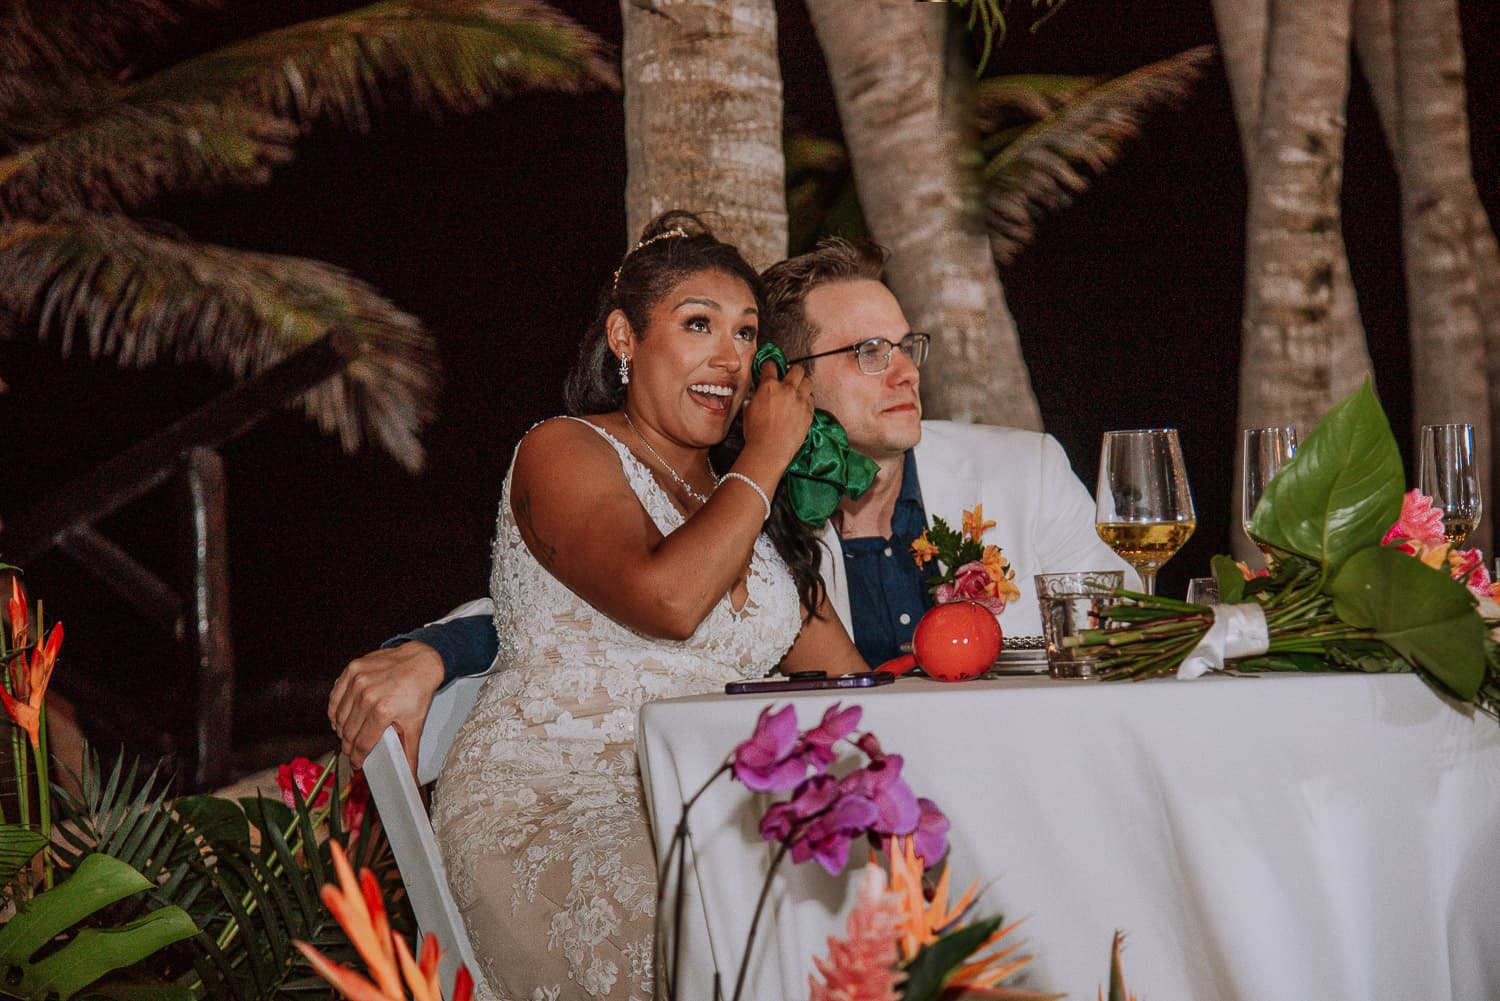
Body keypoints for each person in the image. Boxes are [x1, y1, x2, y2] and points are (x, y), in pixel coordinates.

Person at [329, 239, 1132, 757]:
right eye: (870, 352)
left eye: (906, 345)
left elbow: (1126, 628)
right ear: (790, 379)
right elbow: (583, 608)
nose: (905, 371)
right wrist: (440, 647)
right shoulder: (757, 498)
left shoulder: (1021, 470)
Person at [425, 212, 866, 1000]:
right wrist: (765, 456)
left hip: (708, 804)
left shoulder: (749, 507)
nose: (728, 359)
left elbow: (849, 682)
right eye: (698, 324)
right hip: (555, 800)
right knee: (731, 918)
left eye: (744, 334)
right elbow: (667, 598)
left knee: (877, 886)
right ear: (624, 338)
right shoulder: (564, 450)